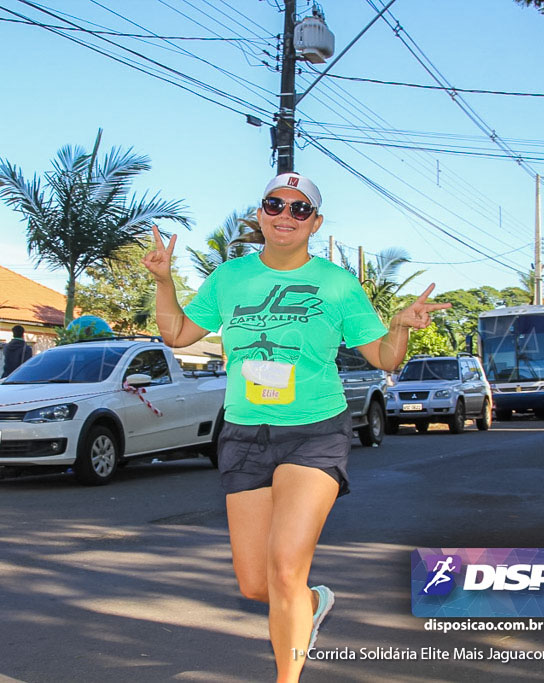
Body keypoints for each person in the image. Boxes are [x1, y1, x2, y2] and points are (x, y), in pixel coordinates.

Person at [143, 172, 449, 682]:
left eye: (299, 208)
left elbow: (385, 357)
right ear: (260, 215)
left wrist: (399, 326)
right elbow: (175, 334)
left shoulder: (336, 284)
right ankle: (310, 602)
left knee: (285, 566)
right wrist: (163, 281)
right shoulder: (229, 278)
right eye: (274, 205)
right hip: (243, 431)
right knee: (256, 584)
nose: (286, 215)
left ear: (315, 222)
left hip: (315, 430)